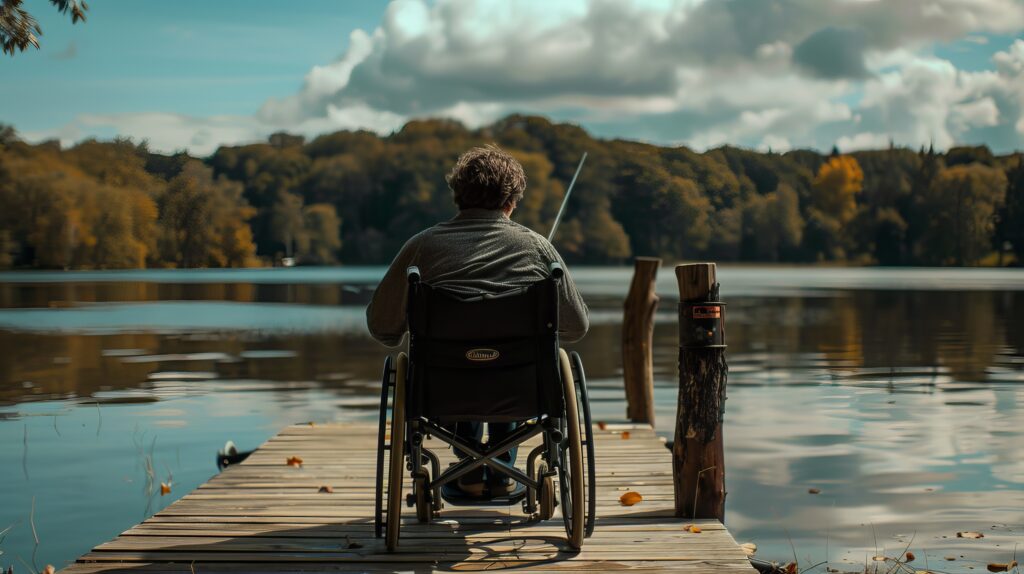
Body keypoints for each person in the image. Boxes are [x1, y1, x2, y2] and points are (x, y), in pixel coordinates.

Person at [366, 144, 589, 497]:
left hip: (441, 389)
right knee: (515, 359)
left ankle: (470, 473)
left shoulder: (421, 247)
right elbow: (576, 327)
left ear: (458, 195)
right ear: (511, 201)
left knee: (457, 363)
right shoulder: (538, 248)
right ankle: (501, 471)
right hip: (521, 388)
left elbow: (382, 327)